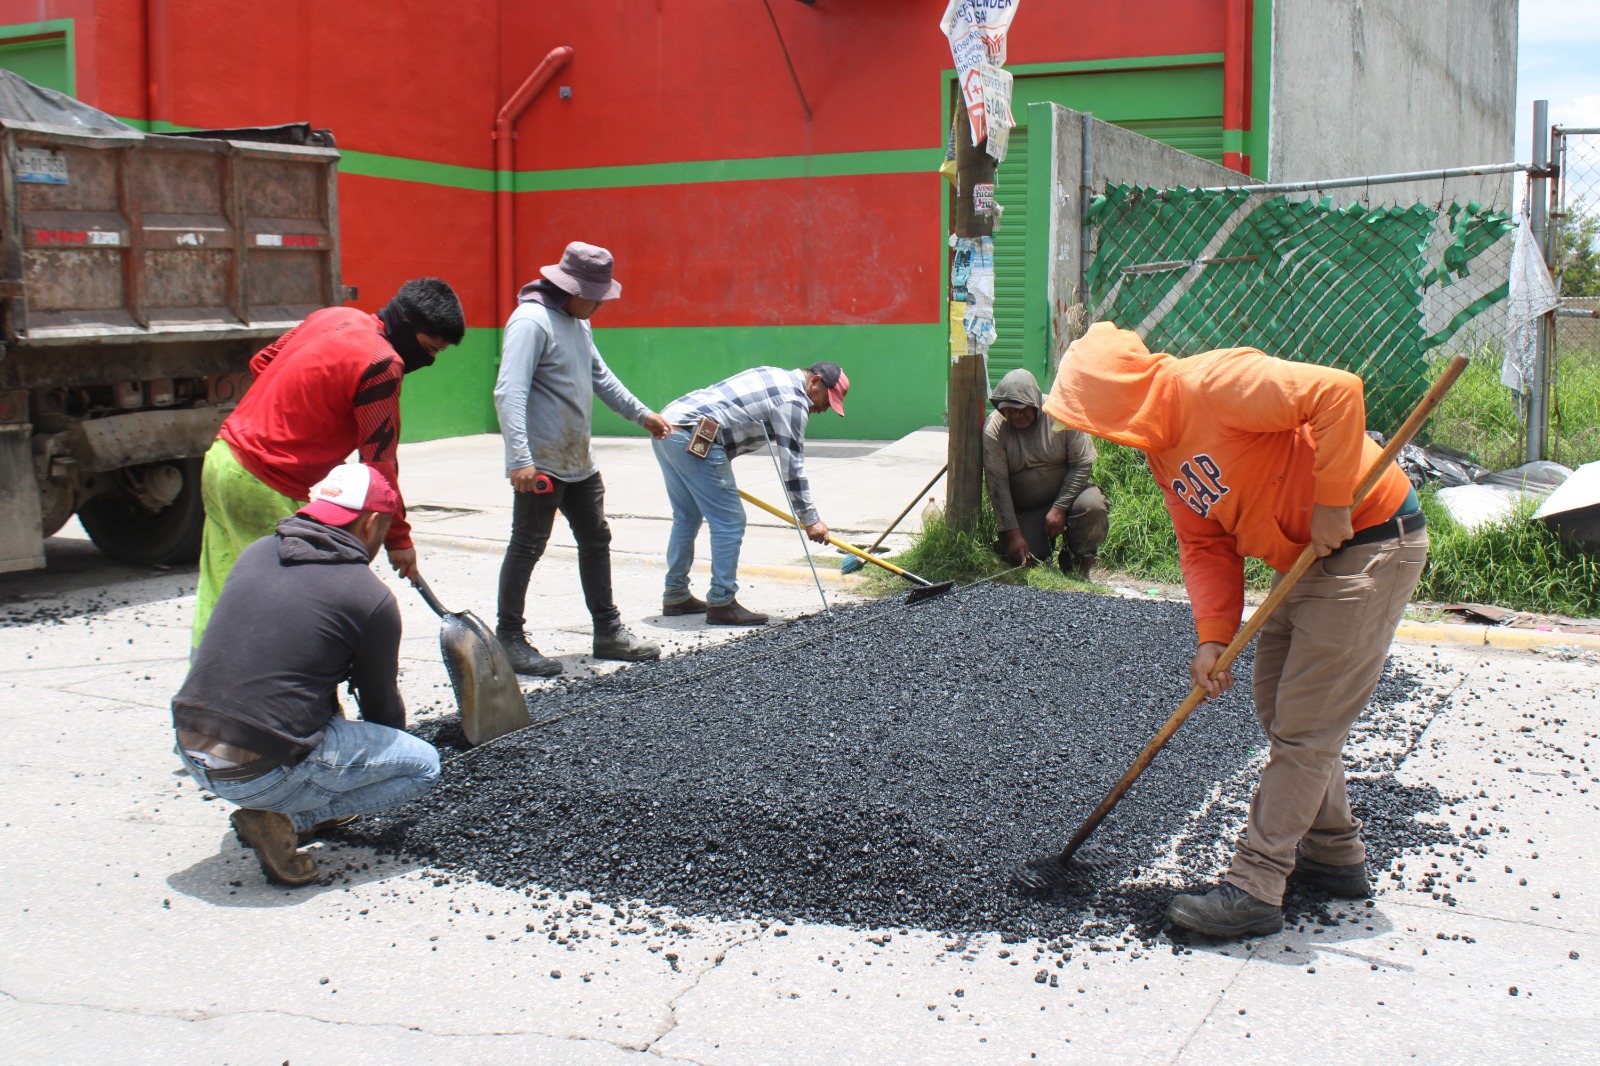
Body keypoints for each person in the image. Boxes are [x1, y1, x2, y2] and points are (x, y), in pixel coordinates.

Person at [1042, 322, 1427, 941]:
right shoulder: (1161, 452)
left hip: (1369, 540)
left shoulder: (1214, 384)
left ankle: (1256, 886)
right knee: (1278, 707)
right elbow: (1204, 544)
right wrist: (1213, 638)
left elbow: (1337, 392)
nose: (1097, 432)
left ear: (1117, 394)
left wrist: (1333, 500)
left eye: (1092, 414)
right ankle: (1333, 855)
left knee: (1306, 725)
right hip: (1302, 557)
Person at [172, 464, 441, 887]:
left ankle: (285, 802)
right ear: (371, 523)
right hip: (257, 770)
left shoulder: (257, 551)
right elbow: (381, 707)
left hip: (192, 745)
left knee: (310, 693)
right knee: (423, 766)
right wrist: (381, 755)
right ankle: (288, 821)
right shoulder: (368, 596)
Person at [192, 278, 465, 647]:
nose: (428, 361)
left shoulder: (333, 317)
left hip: (221, 459)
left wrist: (306, 408)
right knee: (283, 611)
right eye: (429, 349)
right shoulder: (382, 363)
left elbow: (263, 362)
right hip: (264, 485)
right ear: (406, 326)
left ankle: (204, 672)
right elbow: (379, 465)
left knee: (222, 589)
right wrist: (398, 538)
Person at [493, 242, 671, 676]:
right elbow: (509, 391)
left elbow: (600, 376)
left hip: (579, 460)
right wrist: (519, 458)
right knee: (528, 545)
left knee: (596, 539)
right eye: (594, 296)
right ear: (570, 288)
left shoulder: (578, 322)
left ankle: (607, 631)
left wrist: (642, 414)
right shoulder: (531, 321)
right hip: (542, 462)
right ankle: (509, 638)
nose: (599, 304)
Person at [653, 362, 848, 626]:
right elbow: (792, 467)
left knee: (686, 517)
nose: (824, 409)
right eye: (827, 400)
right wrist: (811, 519)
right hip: (696, 434)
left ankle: (676, 594)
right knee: (730, 522)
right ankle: (722, 602)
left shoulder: (773, 373)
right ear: (814, 382)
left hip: (668, 427)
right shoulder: (793, 401)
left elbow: (731, 413)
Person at [983, 367, 1108, 578]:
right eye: (1009, 411)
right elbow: (998, 486)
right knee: (1022, 558)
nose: (1015, 416)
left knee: (1093, 506)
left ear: (1035, 403)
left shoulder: (1062, 413)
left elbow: (1082, 465)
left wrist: (1059, 508)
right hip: (1027, 510)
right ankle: (1042, 549)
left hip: (1070, 500)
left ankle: (1078, 562)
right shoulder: (994, 428)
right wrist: (1013, 534)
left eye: (1021, 409)